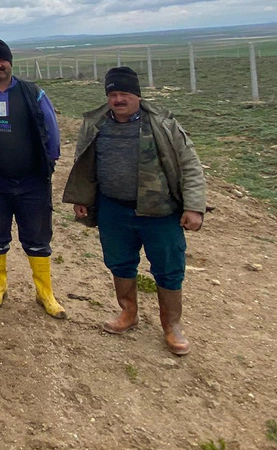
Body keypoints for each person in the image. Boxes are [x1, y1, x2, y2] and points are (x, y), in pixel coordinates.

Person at [62, 66, 208, 355]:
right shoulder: (96, 124)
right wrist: (83, 198)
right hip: (113, 209)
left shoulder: (163, 125)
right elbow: (85, 164)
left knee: (169, 270)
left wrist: (194, 206)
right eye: (112, 94)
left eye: (124, 94)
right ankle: (128, 313)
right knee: (119, 263)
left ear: (137, 96)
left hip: (160, 212)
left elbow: (190, 166)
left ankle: (171, 326)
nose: (118, 99)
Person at [0, 39, 66, 317]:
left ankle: (45, 293)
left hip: (32, 181)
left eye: (1, 60)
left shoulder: (32, 92)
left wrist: (50, 160)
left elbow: (51, 127)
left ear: (10, 61)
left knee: (38, 237)